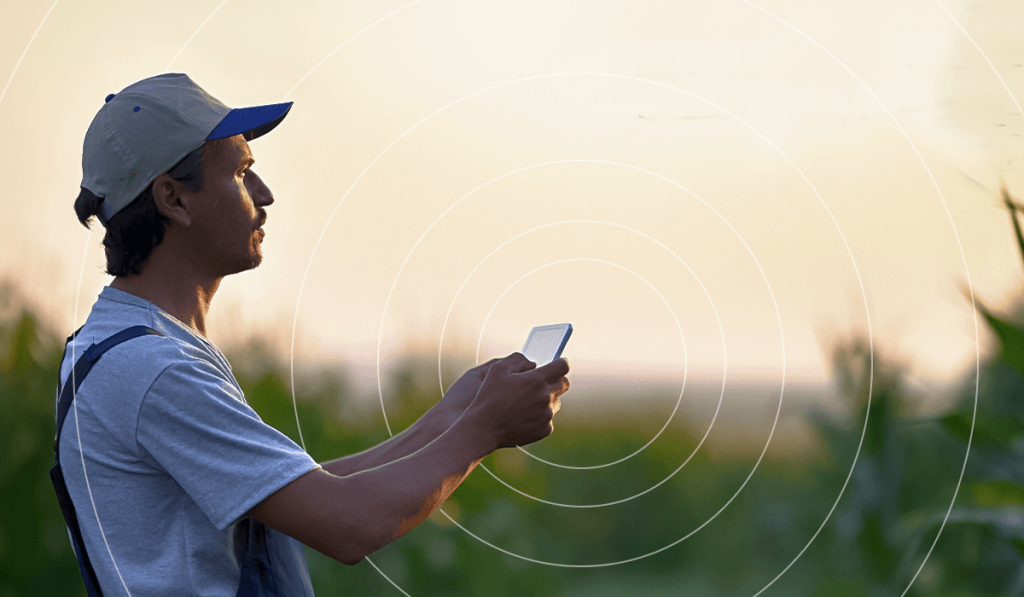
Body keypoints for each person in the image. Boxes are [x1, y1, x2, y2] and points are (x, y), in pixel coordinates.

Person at [59, 72, 571, 596]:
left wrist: (454, 415)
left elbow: (300, 493)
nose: (265, 195)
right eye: (241, 173)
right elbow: (347, 523)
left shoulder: (125, 345)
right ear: (174, 199)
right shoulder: (152, 368)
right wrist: (486, 429)